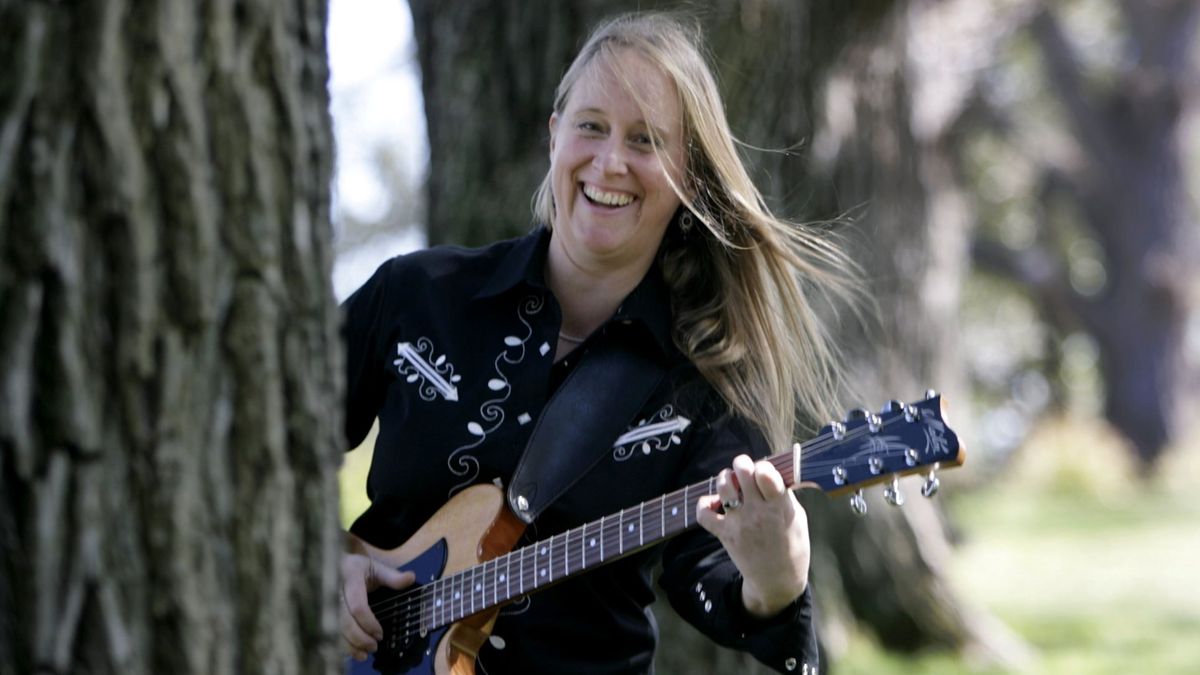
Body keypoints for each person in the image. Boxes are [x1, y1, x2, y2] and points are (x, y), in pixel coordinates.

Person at [338, 11, 859, 675]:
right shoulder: (418, 294)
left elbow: (714, 583)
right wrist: (324, 556)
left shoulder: (704, 382)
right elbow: (263, 440)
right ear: (555, 137)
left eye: (645, 140)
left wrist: (775, 581)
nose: (610, 161)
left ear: (689, 180)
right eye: (591, 126)